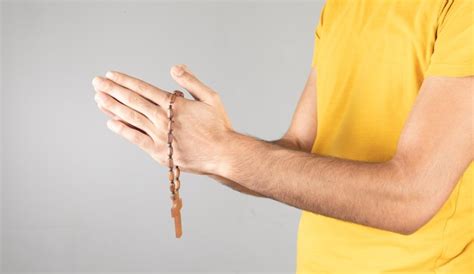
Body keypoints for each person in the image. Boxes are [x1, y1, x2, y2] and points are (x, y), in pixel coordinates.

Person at [92, 0, 473, 272]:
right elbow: (296, 149)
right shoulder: (340, 7)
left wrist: (224, 151)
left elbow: (411, 197)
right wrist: (205, 152)